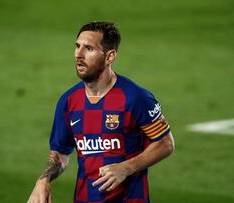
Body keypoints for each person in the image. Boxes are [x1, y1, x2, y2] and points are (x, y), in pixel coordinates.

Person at [27, 21, 175, 203]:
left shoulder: (135, 97)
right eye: (77, 46)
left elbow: (166, 144)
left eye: (88, 49)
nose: (78, 55)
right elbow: (59, 155)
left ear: (110, 57)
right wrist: (43, 179)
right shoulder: (68, 101)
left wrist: (126, 168)